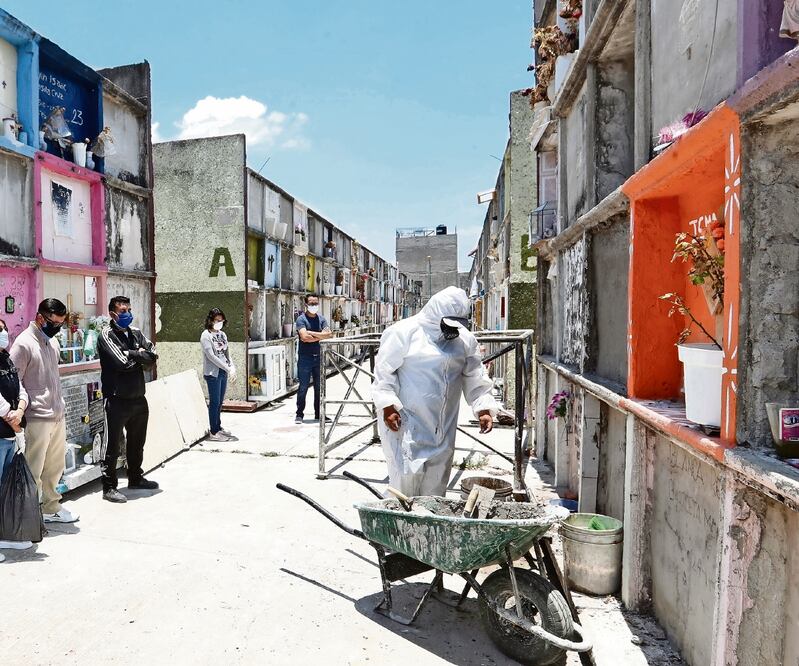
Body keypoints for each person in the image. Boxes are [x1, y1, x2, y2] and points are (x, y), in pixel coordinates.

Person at [372, 286, 499, 497]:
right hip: (408, 423)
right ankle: (399, 527)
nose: (452, 330)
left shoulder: (464, 340)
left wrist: (483, 407)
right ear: (436, 314)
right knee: (404, 485)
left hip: (444, 426)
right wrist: (387, 405)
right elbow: (384, 373)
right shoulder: (404, 332)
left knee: (436, 486)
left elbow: (475, 376)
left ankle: (429, 527)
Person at [10, 299, 78, 524]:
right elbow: (13, 381)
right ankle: (28, 516)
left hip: (57, 414)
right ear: (40, 317)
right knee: (33, 469)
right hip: (36, 416)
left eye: (60, 323)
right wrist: (20, 410)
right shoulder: (23, 343)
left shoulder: (53, 342)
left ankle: (51, 508)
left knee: (54, 467)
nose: (57, 327)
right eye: (53, 322)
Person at [97, 296, 159, 503]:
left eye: (129, 310)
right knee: (112, 446)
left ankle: (135, 477)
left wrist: (133, 353)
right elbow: (121, 363)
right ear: (113, 314)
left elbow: (153, 355)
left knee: (137, 442)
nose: (127, 314)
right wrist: (139, 356)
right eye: (123, 311)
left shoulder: (136, 332)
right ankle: (109, 487)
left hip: (138, 398)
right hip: (116, 399)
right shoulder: (106, 335)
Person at [0, 318, 33, 554]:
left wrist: (21, 409)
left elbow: (20, 387)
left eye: (2, 330)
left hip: (11, 433)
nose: (2, 334)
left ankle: (5, 534)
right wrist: (13, 419)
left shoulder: (7, 358)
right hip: (4, 432)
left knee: (7, 488)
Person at [295, 295, 332, 424]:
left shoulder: (321, 319)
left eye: (316, 303)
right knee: (303, 386)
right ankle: (299, 414)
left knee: (319, 387)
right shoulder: (301, 319)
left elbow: (329, 334)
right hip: (305, 358)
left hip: (319, 357)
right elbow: (304, 337)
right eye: (311, 303)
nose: (314, 305)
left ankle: (319, 414)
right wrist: (320, 336)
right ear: (306, 304)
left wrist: (313, 333)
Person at [201, 308, 236, 441]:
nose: (219, 323)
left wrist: (232, 366)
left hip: (223, 371)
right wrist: (227, 368)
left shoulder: (222, 335)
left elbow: (227, 353)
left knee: (220, 402)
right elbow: (211, 356)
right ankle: (214, 432)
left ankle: (218, 426)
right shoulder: (206, 335)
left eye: (221, 320)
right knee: (214, 402)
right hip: (212, 373)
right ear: (210, 320)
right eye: (216, 320)